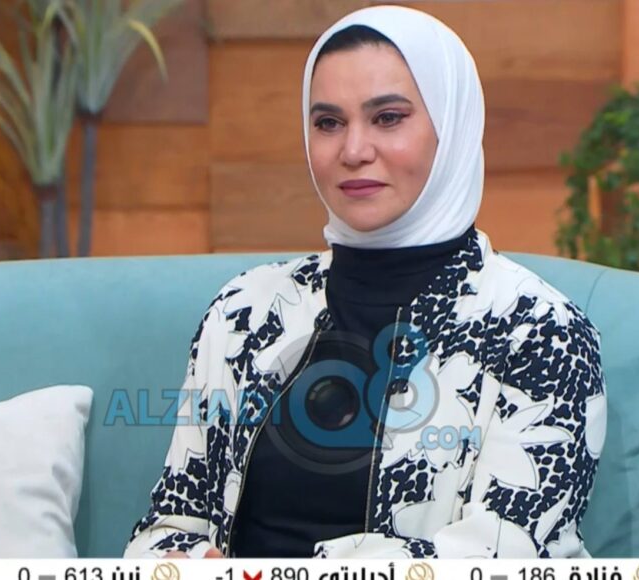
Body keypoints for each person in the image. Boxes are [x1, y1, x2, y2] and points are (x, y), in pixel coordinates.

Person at [124, 5, 606, 559]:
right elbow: (169, 524)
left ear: (451, 126)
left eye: (388, 117)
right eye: (328, 123)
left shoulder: (540, 331)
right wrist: (184, 562)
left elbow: (508, 555)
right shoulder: (245, 312)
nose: (353, 151)